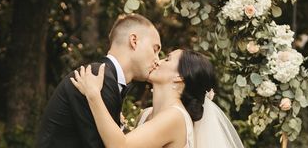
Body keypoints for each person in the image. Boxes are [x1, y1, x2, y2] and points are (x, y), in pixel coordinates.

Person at [71, 49, 244, 148]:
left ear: (179, 77)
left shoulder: (175, 117)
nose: (158, 61)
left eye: (167, 59)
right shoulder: (147, 114)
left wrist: (93, 96)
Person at [36, 14, 161, 148]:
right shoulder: (98, 77)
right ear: (134, 41)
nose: (157, 60)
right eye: (155, 50)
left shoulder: (105, 77)